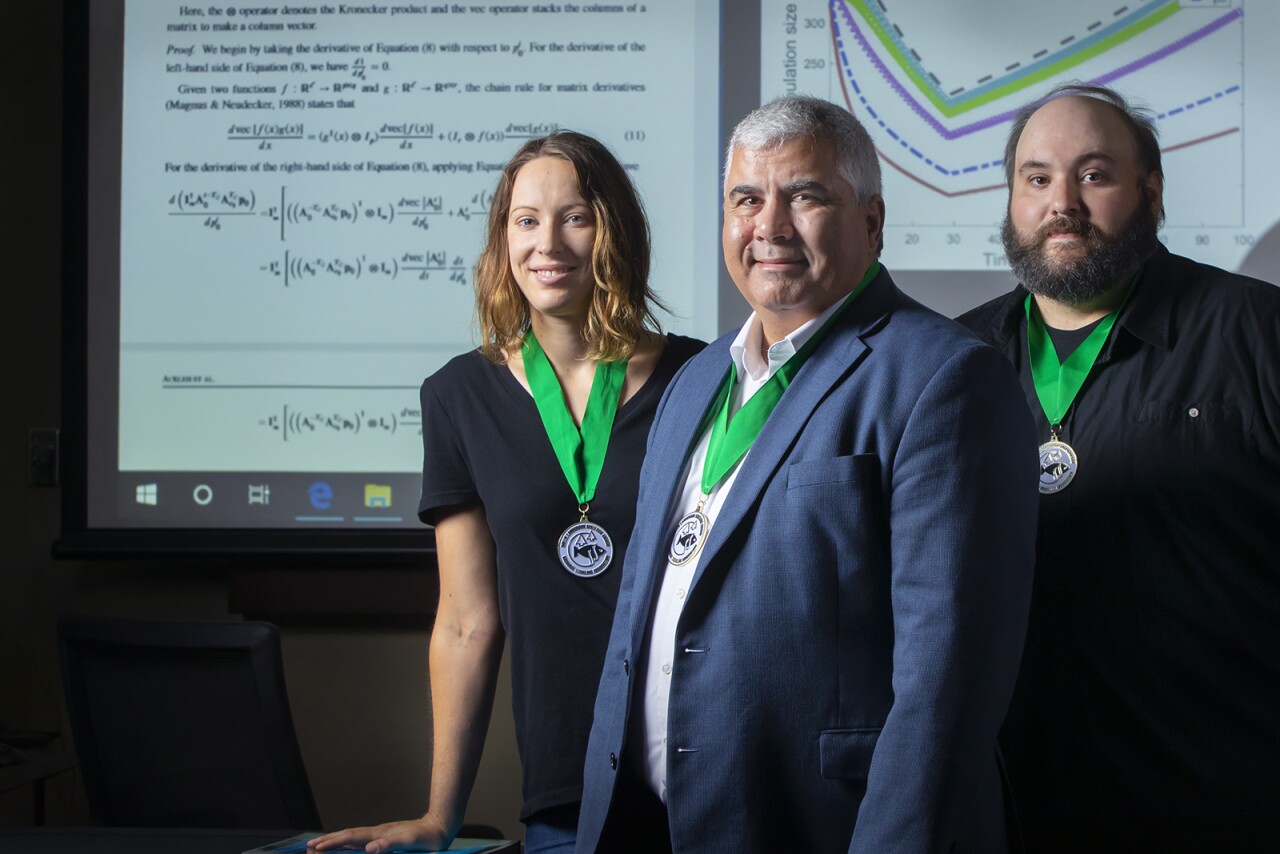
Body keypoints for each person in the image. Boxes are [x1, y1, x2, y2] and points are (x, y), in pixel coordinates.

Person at [574, 95, 1039, 854]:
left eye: (806, 196)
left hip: (816, 827)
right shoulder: (693, 380)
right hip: (646, 826)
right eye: (746, 200)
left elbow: (945, 688)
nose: (770, 227)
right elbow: (641, 612)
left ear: (871, 221)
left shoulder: (945, 379)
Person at [310, 132, 703, 854]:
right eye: (526, 220)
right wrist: (439, 817)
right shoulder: (459, 397)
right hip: (564, 784)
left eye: (575, 216)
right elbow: (465, 621)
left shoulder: (702, 379)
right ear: (502, 241)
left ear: (614, 230)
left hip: (704, 771)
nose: (548, 242)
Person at [958, 83, 1280, 851]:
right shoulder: (954, 364)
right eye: (1037, 179)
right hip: (1012, 813)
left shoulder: (1258, 333)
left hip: (1218, 803)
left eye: (1094, 174)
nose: (1062, 201)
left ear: (1151, 191)